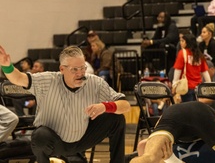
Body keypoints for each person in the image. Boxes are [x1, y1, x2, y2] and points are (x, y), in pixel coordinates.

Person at [0, 45, 130, 163]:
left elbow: (125, 105)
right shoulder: (47, 80)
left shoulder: (95, 82)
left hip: (82, 139)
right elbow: (18, 78)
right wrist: (7, 66)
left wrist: (105, 106)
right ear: (62, 69)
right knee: (40, 136)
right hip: (55, 142)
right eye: (74, 69)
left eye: (83, 68)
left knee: (116, 118)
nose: (80, 73)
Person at [172, 34, 211, 102]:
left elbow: (177, 71)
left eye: (183, 41)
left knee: (188, 110)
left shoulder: (182, 53)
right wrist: (209, 85)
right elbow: (205, 72)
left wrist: (174, 85)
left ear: (187, 42)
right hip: (198, 88)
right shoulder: (199, 54)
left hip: (186, 88)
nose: (181, 43)